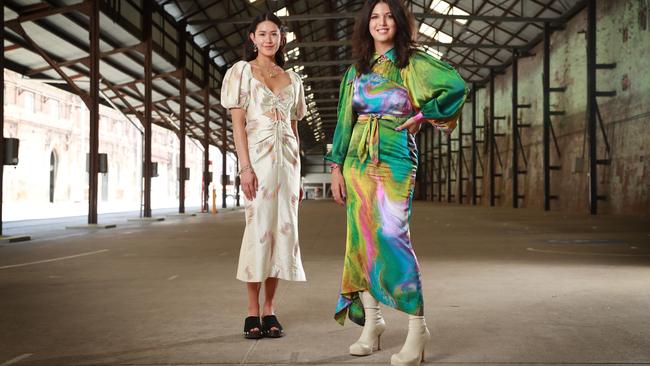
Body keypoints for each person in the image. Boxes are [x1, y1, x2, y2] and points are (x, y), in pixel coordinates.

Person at [324, 0, 467, 364]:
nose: (382, 22)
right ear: (365, 25)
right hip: (357, 157)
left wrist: (422, 113)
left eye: (389, 16)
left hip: (395, 156)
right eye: (375, 16)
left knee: (391, 237)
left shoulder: (413, 63)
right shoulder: (356, 71)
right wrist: (336, 168)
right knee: (360, 242)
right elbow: (344, 121)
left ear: (401, 23)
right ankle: (372, 325)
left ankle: (418, 330)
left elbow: (454, 87)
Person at [221, 12, 307, 340]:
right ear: (252, 38)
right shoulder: (242, 73)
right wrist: (244, 167)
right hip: (258, 162)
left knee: (282, 234)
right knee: (257, 232)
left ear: (281, 38)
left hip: (288, 165)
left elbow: (295, 127)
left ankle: (270, 309)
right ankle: (251, 311)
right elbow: (238, 124)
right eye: (263, 33)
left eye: (274, 33)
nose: (269, 39)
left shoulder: (293, 79)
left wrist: (297, 171)